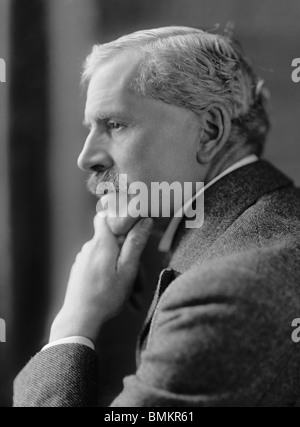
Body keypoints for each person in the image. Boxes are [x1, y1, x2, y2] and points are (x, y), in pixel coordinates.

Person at [13, 26, 300, 407]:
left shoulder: (227, 294)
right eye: (90, 129)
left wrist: (72, 326)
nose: (86, 158)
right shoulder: (257, 230)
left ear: (209, 131)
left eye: (115, 124)